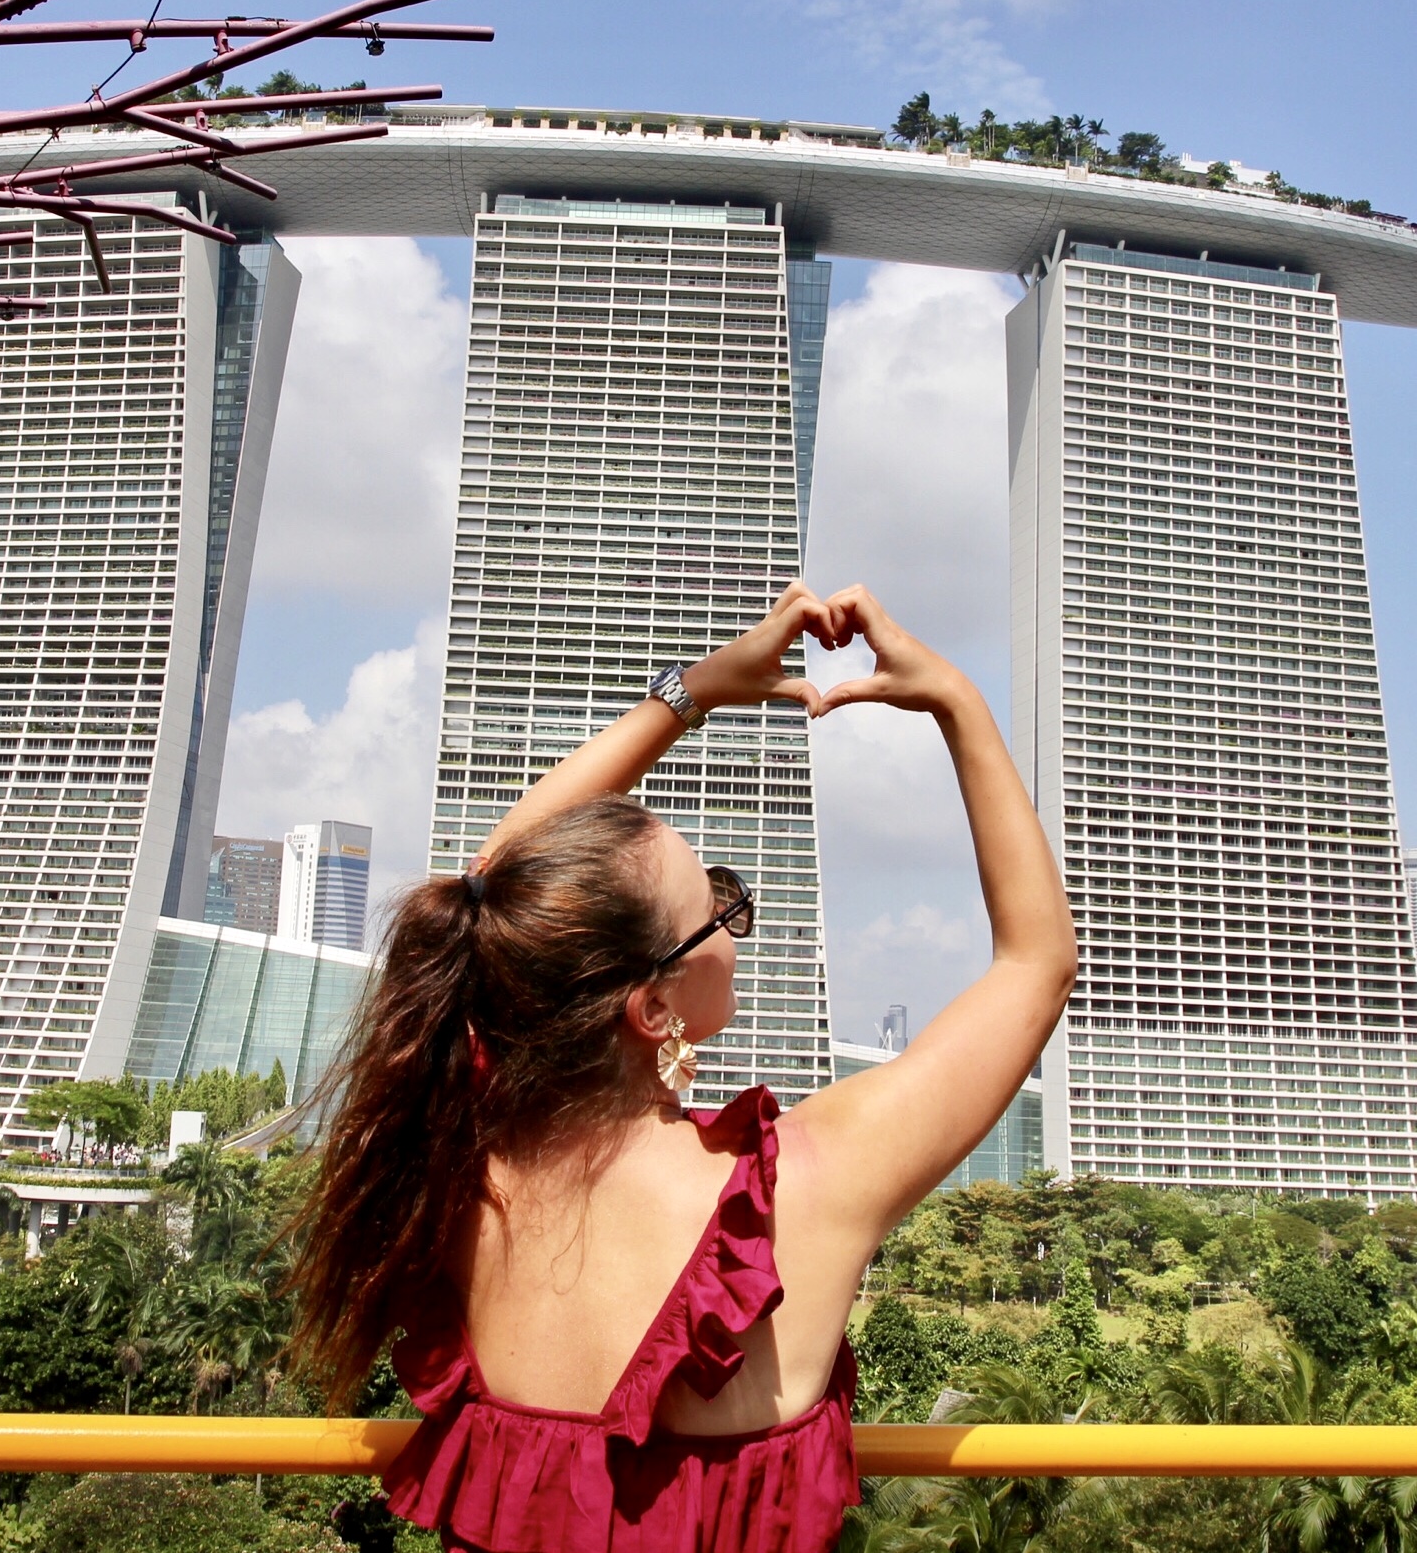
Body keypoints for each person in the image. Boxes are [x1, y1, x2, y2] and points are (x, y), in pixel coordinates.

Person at [288, 583, 1075, 1553]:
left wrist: (694, 690)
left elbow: (490, 888)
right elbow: (1035, 963)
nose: (737, 930)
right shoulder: (802, 1190)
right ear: (652, 1005)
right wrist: (956, 697)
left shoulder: (467, 1171)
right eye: (718, 908)